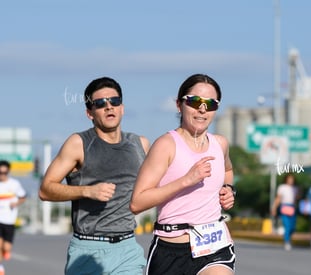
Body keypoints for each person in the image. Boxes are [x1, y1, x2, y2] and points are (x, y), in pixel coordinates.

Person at [38, 77, 149, 275]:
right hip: (88, 249)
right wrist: (87, 191)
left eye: (114, 101)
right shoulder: (78, 143)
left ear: (122, 107)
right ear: (90, 113)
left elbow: (161, 183)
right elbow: (46, 189)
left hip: (127, 249)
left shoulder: (139, 144)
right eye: (100, 104)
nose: (109, 107)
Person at [130, 73, 236, 275]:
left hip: (215, 246)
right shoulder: (166, 145)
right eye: (195, 101)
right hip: (171, 250)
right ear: (179, 105)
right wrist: (186, 180)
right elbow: (137, 203)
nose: (202, 109)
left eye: (210, 104)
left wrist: (228, 190)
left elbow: (228, 171)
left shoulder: (219, 144)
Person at [0, 160, 26, 275]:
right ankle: (0, 268)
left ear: (8, 172)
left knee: (6, 248)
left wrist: (16, 203)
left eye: (4, 173)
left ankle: (5, 252)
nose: (2, 175)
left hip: (9, 221)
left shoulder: (14, 184)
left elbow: (23, 197)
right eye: (0, 173)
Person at [271, 173, 298, 251]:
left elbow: (297, 199)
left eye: (292, 179)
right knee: (287, 226)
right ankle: (287, 242)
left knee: (292, 227)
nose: (290, 180)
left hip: (292, 208)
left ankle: (288, 238)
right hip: (284, 207)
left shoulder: (295, 188)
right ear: (286, 179)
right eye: (289, 179)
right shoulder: (282, 187)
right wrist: (274, 208)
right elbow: (278, 198)